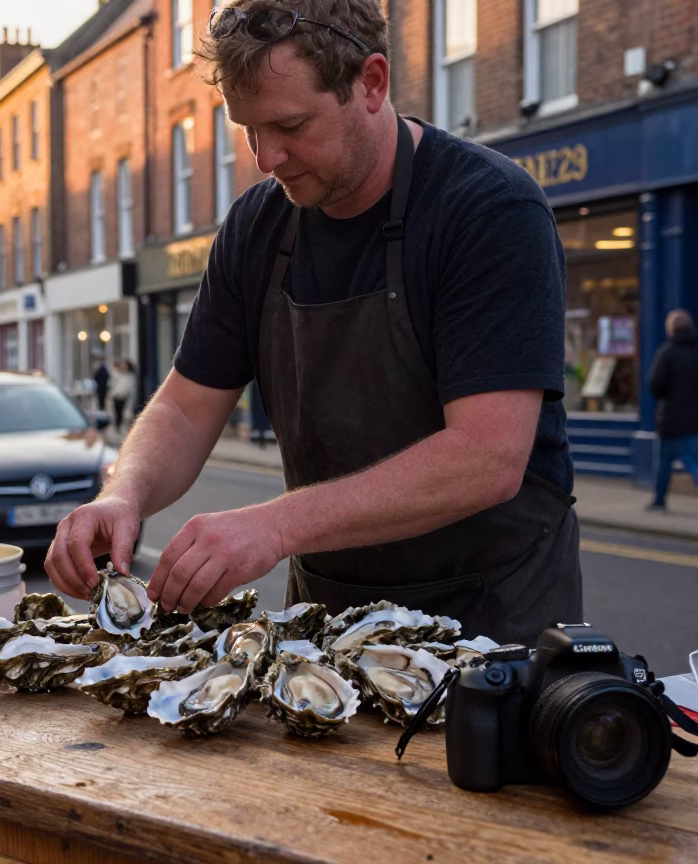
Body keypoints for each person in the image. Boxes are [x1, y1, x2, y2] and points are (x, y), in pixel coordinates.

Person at [46, 0, 581, 647]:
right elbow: (187, 407)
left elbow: (486, 457)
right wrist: (123, 494)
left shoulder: (489, 208)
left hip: (494, 613)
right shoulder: (255, 226)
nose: (267, 157)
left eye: (290, 125)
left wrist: (274, 526)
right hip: (329, 618)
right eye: (247, 130)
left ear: (372, 82)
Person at [647, 309, 698, 511]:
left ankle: (659, 501)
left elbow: (654, 384)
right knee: (692, 461)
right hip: (694, 420)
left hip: (670, 419)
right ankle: (658, 500)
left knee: (664, 464)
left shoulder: (667, 352)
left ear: (671, 329)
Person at [109, 360, 137, 430]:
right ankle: (117, 427)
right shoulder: (118, 374)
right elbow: (112, 384)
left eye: (125, 365)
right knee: (117, 413)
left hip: (124, 398)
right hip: (117, 396)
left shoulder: (130, 377)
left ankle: (121, 426)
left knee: (123, 413)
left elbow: (131, 389)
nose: (123, 367)